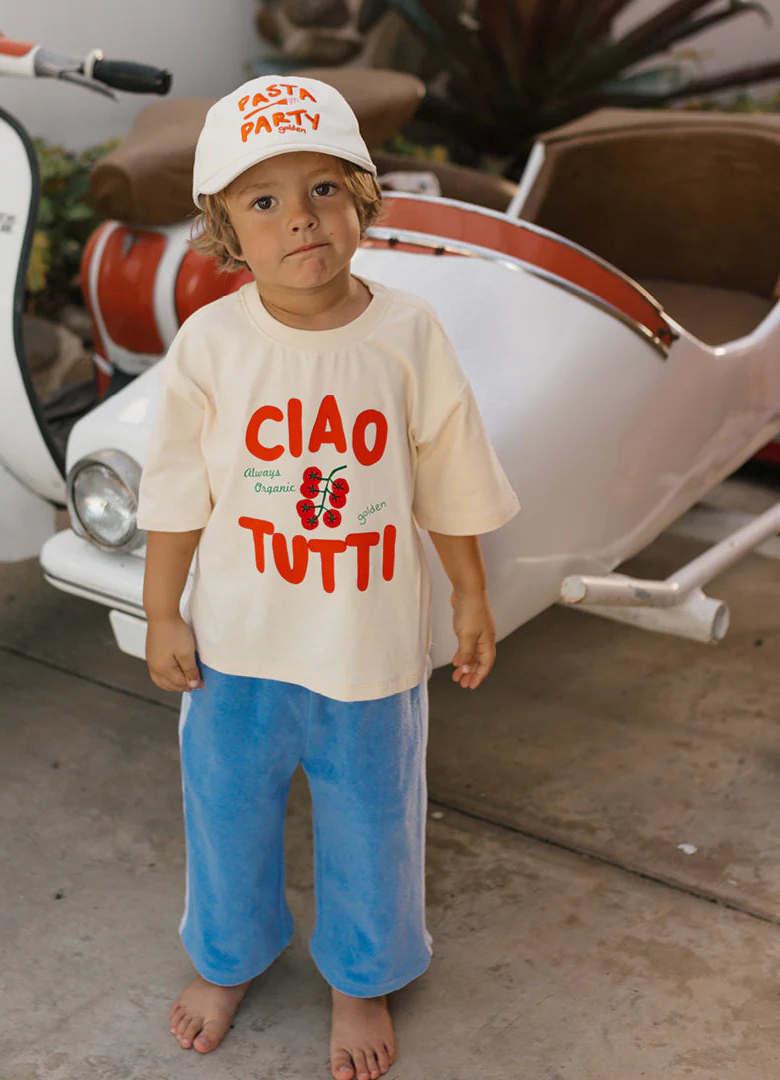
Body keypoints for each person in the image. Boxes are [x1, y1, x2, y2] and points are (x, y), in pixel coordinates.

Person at [136, 75, 520, 1080]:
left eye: (322, 189)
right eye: (263, 201)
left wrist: (472, 593)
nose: (299, 219)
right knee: (226, 811)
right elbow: (176, 491)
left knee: (372, 819)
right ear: (224, 229)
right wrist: (160, 611)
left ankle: (362, 975)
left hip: (369, 650)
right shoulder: (213, 346)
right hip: (237, 649)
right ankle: (229, 956)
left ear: (363, 198)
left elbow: (450, 470)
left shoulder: (408, 335)